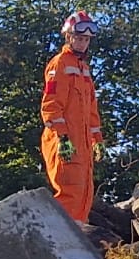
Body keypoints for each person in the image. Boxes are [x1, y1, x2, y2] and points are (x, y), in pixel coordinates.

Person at [39, 12, 103, 223]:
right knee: (69, 192)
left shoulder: (84, 70)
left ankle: (77, 235)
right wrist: (63, 137)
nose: (83, 43)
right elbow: (50, 106)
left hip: (82, 146)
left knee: (84, 194)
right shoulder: (60, 64)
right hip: (65, 143)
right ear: (69, 37)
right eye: (79, 38)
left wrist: (97, 140)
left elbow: (91, 111)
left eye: (86, 40)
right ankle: (59, 236)